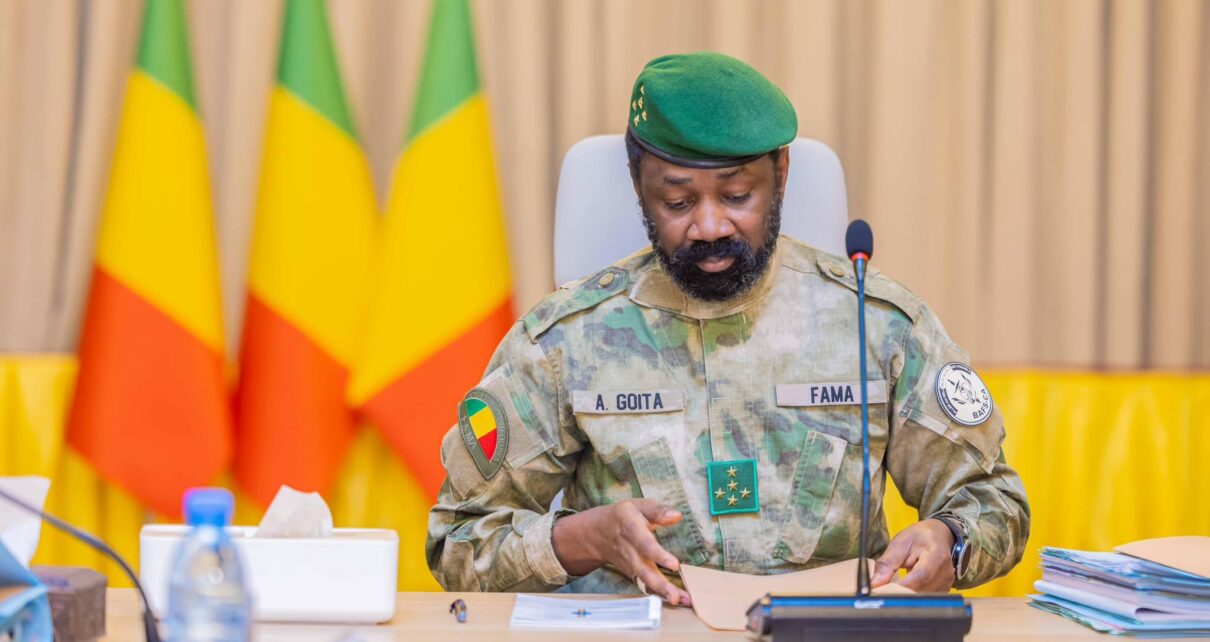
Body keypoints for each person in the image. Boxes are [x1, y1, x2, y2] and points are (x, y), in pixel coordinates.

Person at [426, 51, 1029, 605]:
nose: (710, 226)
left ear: (781, 175)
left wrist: (948, 541)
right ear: (639, 187)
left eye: (738, 195)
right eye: (679, 202)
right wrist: (580, 540)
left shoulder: (876, 326)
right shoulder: (565, 342)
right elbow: (458, 539)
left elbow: (994, 501)